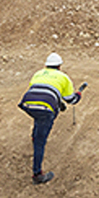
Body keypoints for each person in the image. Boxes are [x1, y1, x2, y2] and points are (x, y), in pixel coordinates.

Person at [18, 52, 82, 185]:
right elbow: (71, 99)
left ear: (46, 65)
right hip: (45, 108)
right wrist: (79, 95)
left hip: (26, 103)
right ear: (59, 66)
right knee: (40, 140)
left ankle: (36, 134)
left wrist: (59, 104)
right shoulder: (63, 77)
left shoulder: (38, 73)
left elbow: (38, 91)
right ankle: (37, 175)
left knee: (40, 117)